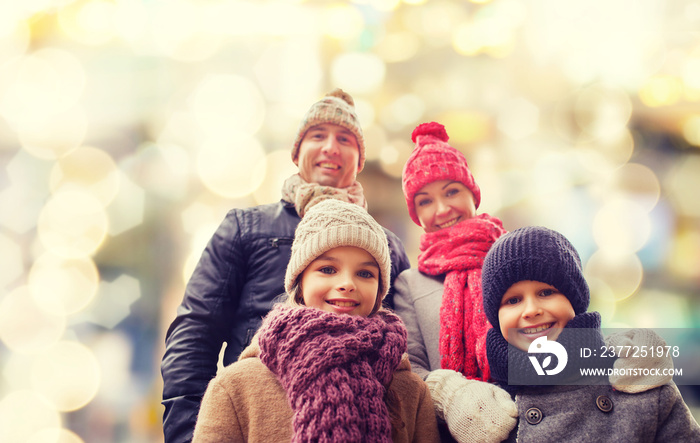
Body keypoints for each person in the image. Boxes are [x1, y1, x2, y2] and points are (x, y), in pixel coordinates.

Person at [161, 89, 411, 442]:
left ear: (359, 160)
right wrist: (194, 433)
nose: (330, 147)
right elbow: (195, 333)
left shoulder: (386, 246)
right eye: (317, 136)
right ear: (297, 153)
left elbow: (406, 344)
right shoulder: (246, 228)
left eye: (345, 139)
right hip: (260, 417)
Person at [191, 199, 440, 442]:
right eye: (328, 269)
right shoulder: (236, 387)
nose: (347, 284)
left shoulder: (411, 391)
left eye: (365, 273)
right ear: (300, 282)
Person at [478, 226, 700, 442]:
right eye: (513, 300)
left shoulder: (641, 383)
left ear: (575, 300)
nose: (531, 310)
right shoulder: (483, 412)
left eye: (546, 292)